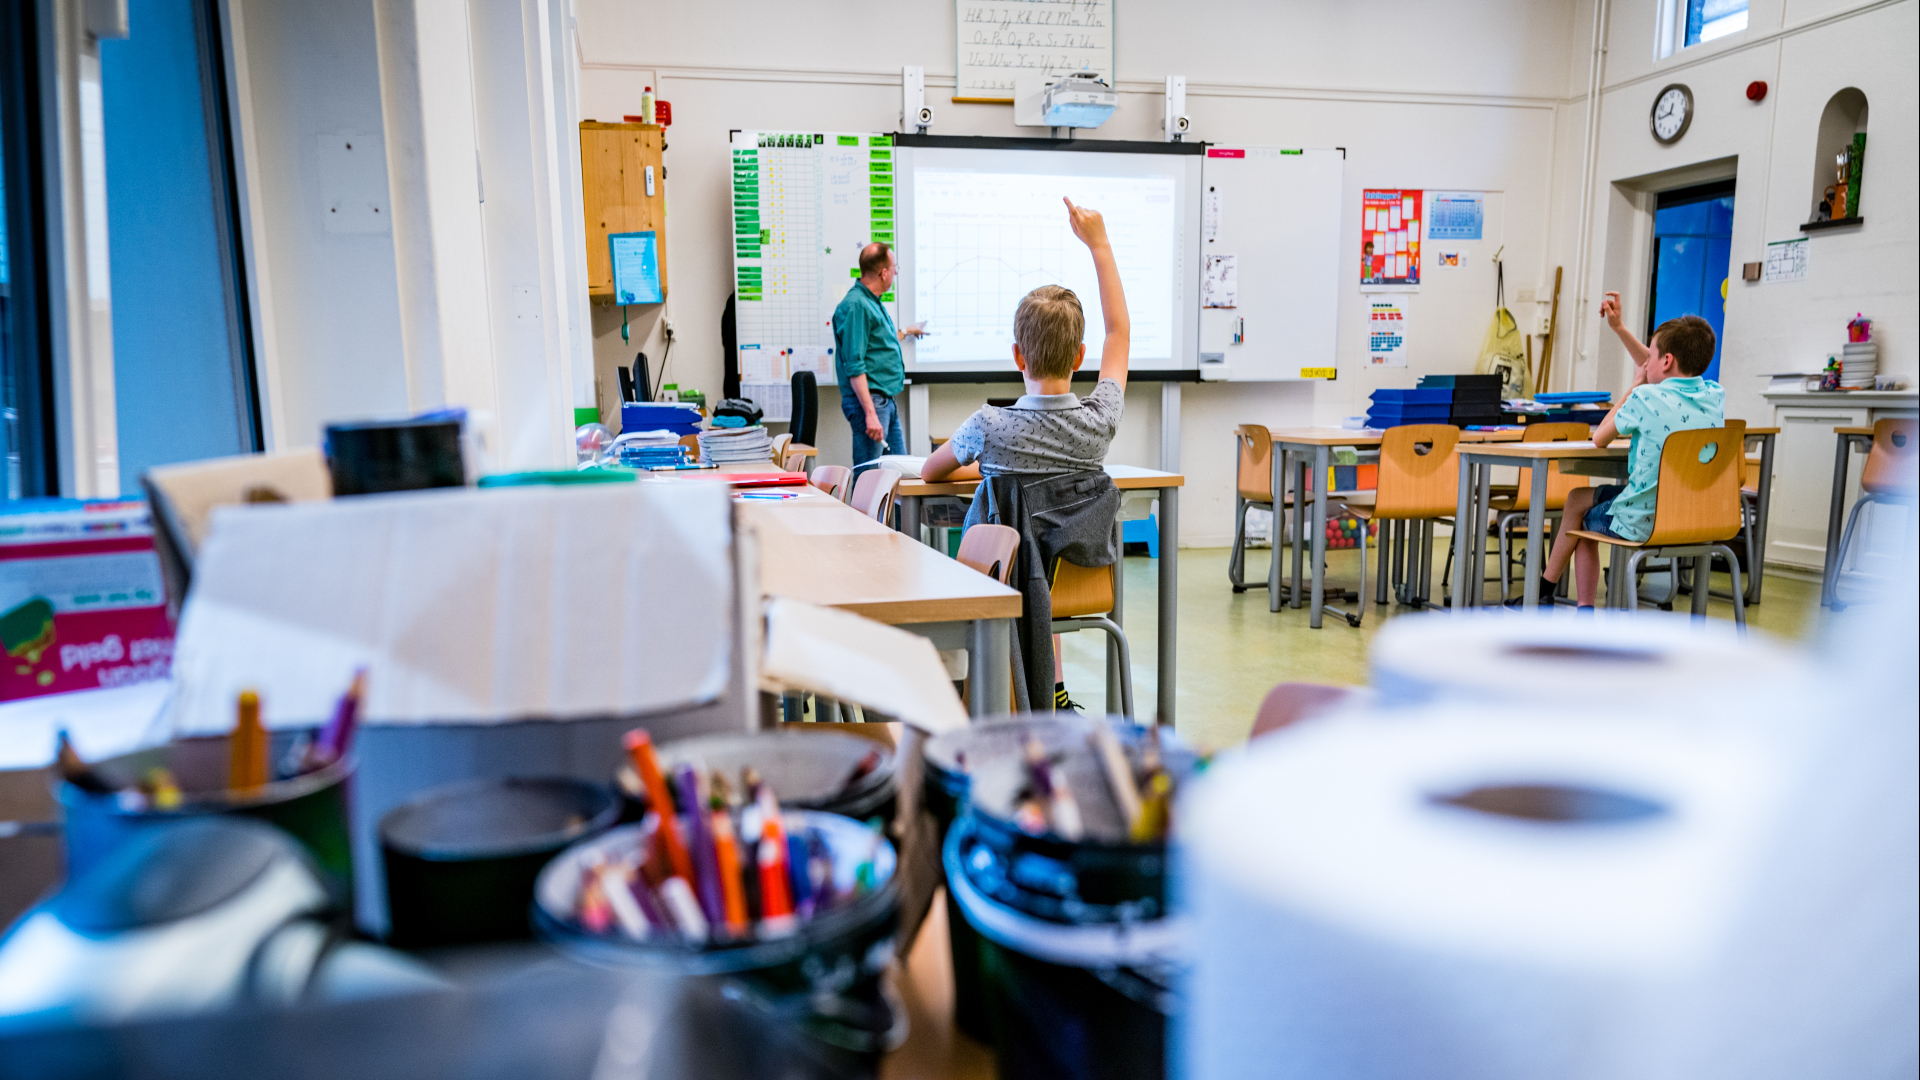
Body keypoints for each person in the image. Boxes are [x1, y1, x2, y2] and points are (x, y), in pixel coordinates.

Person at [923, 198, 1129, 709]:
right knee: (1044, 541)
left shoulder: (988, 426)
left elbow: (930, 472)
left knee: (1023, 544)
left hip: (1004, 588)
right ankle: (1054, 686)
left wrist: (981, 465)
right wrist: (1100, 246)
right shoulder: (1100, 420)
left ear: (1017, 354)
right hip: (1076, 590)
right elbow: (1120, 333)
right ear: (1081, 357)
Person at [1520, 292, 1724, 609]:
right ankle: (1546, 590)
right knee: (1578, 498)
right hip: (1697, 517)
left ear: (1666, 360)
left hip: (1644, 519)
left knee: (1582, 516)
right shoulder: (1714, 395)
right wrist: (1620, 328)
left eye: (1653, 356)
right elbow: (1663, 365)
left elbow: (1600, 437)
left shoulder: (1645, 398)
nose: (1646, 362)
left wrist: (1634, 386)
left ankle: (1568, 602)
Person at [831, 243, 924, 476]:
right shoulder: (856, 306)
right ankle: (863, 516)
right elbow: (854, 364)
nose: (894, 273)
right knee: (869, 478)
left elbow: (879, 342)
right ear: (884, 272)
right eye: (894, 269)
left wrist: (907, 331)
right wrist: (870, 414)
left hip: (884, 401)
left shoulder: (870, 301)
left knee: (901, 475)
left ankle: (899, 516)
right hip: (871, 405)